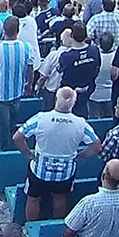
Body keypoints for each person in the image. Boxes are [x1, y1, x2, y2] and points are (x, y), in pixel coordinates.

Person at [14, 87, 102, 221]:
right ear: (74, 103)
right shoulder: (81, 124)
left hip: (39, 170)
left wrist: (29, 154)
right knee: (60, 199)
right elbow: (97, 146)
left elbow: (17, 137)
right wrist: (80, 156)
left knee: (33, 199)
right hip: (65, 173)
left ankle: (31, 227)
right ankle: (55, 225)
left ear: (56, 99)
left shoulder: (41, 118)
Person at [0, 17, 38, 148]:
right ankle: (13, 143)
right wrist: (29, 84)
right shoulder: (27, 47)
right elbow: (30, 69)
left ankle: (4, 148)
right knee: (13, 121)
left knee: (2, 125)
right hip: (17, 92)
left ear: (4, 30)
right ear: (18, 31)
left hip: (0, 95)